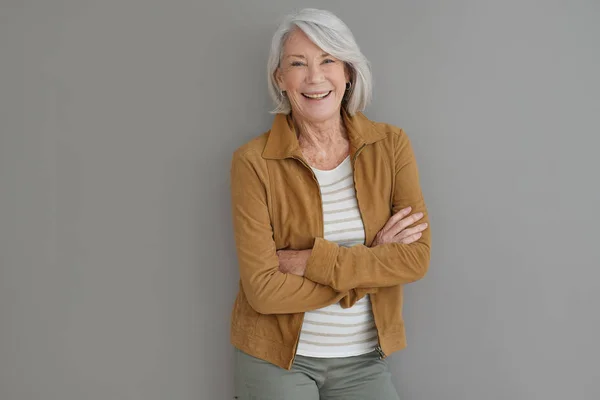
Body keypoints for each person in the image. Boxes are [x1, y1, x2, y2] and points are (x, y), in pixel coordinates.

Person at [229, 8, 431, 400]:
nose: (315, 77)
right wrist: (369, 263)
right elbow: (263, 291)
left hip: (364, 361)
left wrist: (309, 261)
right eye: (298, 64)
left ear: (348, 72)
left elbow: (415, 258)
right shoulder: (253, 162)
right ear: (280, 78)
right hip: (275, 359)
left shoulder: (390, 146)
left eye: (328, 60)